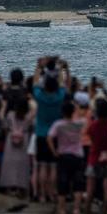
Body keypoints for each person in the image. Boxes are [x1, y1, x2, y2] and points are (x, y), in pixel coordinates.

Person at [32, 57, 67, 203]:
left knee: (41, 167)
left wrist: (39, 67)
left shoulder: (40, 96)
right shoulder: (60, 97)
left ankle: (41, 195)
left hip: (40, 133)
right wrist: (61, 69)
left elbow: (35, 83)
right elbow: (62, 84)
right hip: (54, 135)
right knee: (53, 167)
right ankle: (52, 193)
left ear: (44, 85)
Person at [48, 100, 86, 214]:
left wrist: (54, 152)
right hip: (77, 156)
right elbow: (84, 116)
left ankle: (62, 211)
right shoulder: (79, 124)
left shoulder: (58, 124)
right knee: (78, 185)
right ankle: (76, 210)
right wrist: (76, 109)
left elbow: (49, 137)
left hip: (63, 155)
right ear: (73, 112)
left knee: (62, 184)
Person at [85, 97, 107, 214]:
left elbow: (90, 136)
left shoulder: (94, 125)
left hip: (94, 156)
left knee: (90, 188)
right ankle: (105, 211)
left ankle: (86, 211)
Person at [0, 96, 33, 197]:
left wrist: (3, 106)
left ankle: (8, 188)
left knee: (9, 165)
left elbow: (3, 123)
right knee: (22, 166)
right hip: (24, 142)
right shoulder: (28, 117)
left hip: (10, 141)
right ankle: (21, 189)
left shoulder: (10, 115)